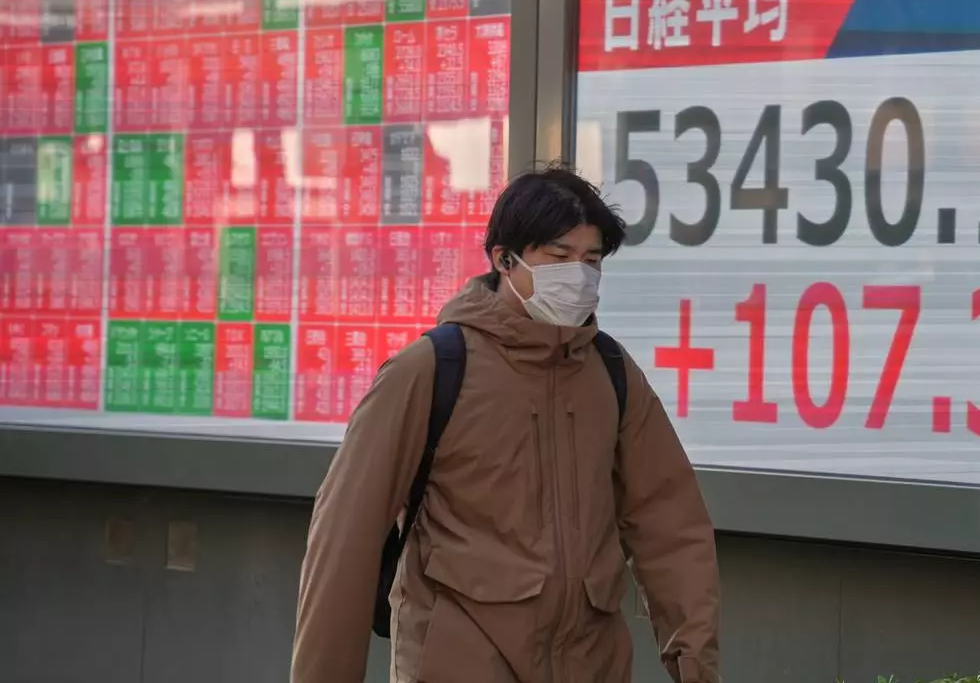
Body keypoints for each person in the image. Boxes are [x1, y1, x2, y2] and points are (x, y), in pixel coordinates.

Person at [291, 165, 721, 683]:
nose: (578, 276)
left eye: (591, 261)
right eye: (559, 257)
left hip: (591, 665)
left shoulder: (610, 372)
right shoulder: (431, 369)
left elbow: (669, 522)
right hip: (459, 665)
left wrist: (696, 665)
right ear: (504, 259)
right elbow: (345, 537)